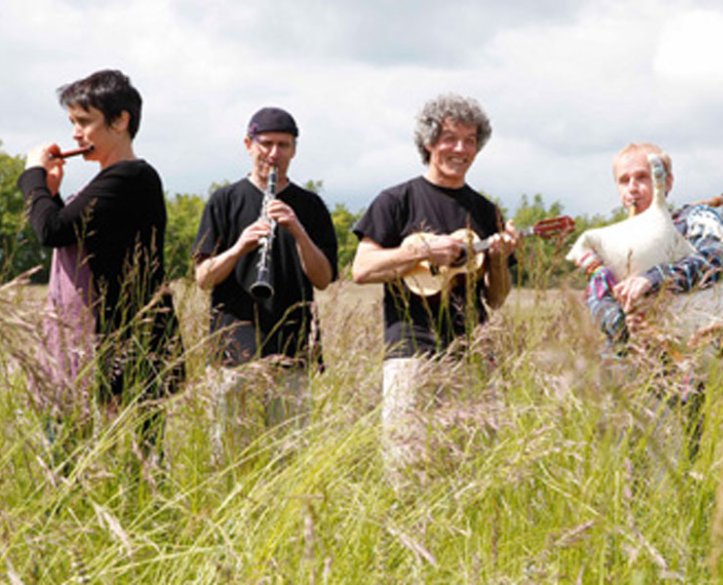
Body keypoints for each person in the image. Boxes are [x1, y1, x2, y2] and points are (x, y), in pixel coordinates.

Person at [352, 94, 518, 486]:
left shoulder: (485, 210)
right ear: (428, 143)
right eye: (450, 138)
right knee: (406, 469)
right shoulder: (396, 201)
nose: (460, 149)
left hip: (471, 355)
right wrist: (421, 251)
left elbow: (495, 299)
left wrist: (497, 258)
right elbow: (361, 269)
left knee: (470, 470)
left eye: (470, 140)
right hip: (411, 353)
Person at [18, 69, 183, 453]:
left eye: (84, 121)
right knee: (79, 457)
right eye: (72, 122)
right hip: (97, 344)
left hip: (125, 346)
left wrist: (32, 177)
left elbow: (52, 232)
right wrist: (53, 194)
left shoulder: (130, 177)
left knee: (131, 465)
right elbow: (74, 236)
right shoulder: (108, 181)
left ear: (121, 120)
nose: (76, 133)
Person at [192, 107, 338, 461]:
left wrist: (298, 231)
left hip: (292, 345)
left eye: (283, 145)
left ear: (294, 149)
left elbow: (324, 279)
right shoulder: (224, 200)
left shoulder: (311, 205)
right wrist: (240, 246)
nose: (274, 154)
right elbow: (202, 278)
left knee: (290, 455)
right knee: (230, 453)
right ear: (248, 144)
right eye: (266, 144)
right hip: (234, 346)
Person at [584, 142, 723, 348]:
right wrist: (620, 323)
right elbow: (597, 299)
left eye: (642, 177)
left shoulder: (693, 220)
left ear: (667, 182)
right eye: (624, 181)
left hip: (712, 342)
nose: (633, 188)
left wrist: (654, 278)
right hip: (645, 356)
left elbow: (717, 256)